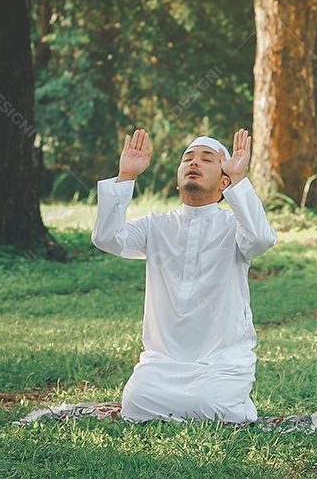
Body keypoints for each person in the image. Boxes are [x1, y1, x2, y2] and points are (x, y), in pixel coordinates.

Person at [91, 128, 277, 423]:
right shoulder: (155, 226)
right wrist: (126, 176)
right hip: (163, 363)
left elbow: (261, 239)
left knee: (211, 403)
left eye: (207, 159)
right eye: (187, 158)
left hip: (220, 362)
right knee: (136, 403)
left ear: (224, 182)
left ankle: (226, 401)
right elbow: (107, 238)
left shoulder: (234, 226)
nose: (194, 163)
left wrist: (240, 180)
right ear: (178, 180)